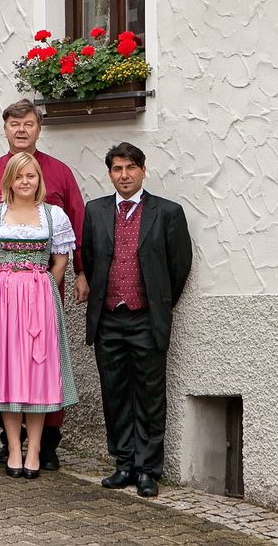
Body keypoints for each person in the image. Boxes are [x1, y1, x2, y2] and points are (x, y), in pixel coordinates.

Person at [0, 98, 86, 469]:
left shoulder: (60, 174)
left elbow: (76, 230)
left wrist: (66, 277)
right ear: (4, 128)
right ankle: (10, 444)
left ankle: (45, 445)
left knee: (40, 365)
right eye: (14, 124)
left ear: (38, 128)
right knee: (7, 364)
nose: (21, 130)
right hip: (4, 295)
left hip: (43, 291)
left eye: (29, 124)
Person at [80, 142, 192, 498]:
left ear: (143, 170)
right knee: (114, 394)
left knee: (149, 395)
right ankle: (123, 462)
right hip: (109, 318)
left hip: (146, 317)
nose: (124, 175)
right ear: (110, 173)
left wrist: (157, 303)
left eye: (130, 168)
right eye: (117, 169)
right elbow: (91, 258)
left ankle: (147, 469)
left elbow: (179, 266)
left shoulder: (167, 212)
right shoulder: (95, 211)